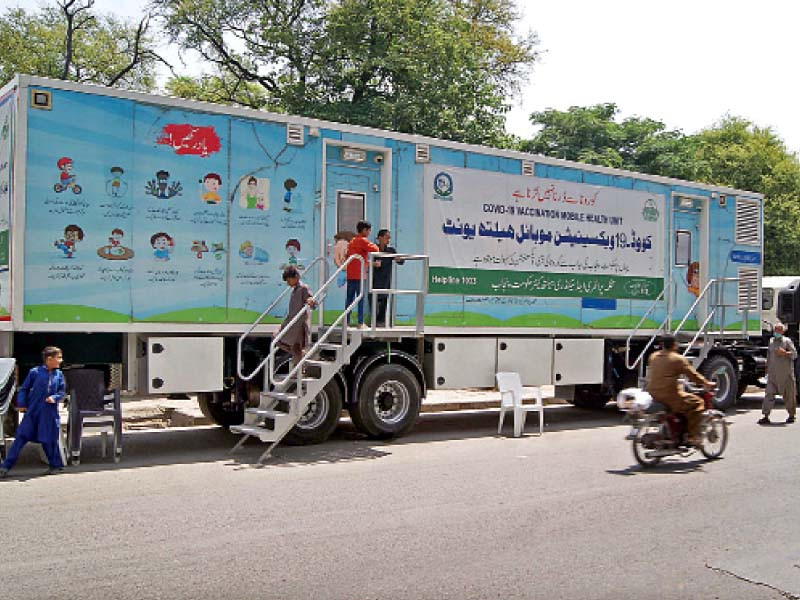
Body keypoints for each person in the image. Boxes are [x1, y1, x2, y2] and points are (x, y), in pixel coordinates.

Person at [0, 347, 66, 478]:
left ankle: (55, 465)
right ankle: (5, 467)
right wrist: (22, 403)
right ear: (49, 359)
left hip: (49, 413)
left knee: (48, 439)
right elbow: (24, 389)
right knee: (21, 438)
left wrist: (54, 398)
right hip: (33, 412)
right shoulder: (35, 372)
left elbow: (61, 392)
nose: (60, 360)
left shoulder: (59, 375)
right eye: (58, 357)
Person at [646, 334, 715, 446]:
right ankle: (692, 437)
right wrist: (706, 383)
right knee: (698, 403)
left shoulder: (653, 357)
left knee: (685, 400)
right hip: (670, 397)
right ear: (674, 345)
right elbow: (693, 375)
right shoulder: (678, 359)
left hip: (653, 394)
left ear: (662, 345)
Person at [277, 266, 317, 372]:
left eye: (289, 280)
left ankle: (299, 367)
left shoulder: (303, 288)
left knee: (295, 345)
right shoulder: (295, 290)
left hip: (299, 325)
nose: (288, 283)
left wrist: (310, 301)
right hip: (292, 323)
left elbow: (311, 300)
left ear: (295, 277)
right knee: (290, 345)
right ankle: (299, 365)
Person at [758, 322, 797, 425]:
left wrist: (785, 353)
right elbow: (769, 356)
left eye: (779, 330)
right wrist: (767, 369)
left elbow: (794, 354)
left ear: (783, 331)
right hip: (773, 375)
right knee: (769, 394)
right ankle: (765, 416)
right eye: (775, 330)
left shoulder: (787, 341)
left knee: (789, 396)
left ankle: (791, 415)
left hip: (786, 375)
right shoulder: (771, 341)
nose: (776, 332)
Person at [345, 220, 379, 327]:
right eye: (368, 230)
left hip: (350, 274)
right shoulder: (363, 240)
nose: (369, 233)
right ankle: (360, 322)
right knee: (360, 298)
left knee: (349, 299)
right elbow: (375, 249)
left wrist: (371, 263)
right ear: (364, 230)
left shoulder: (352, 241)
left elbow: (357, 259)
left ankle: (347, 321)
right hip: (360, 275)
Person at [372, 229, 404, 327]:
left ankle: (381, 321)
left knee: (384, 301)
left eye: (389, 238)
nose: (388, 240)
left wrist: (399, 259)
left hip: (385, 279)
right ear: (380, 238)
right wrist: (373, 264)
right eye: (386, 237)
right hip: (374, 279)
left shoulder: (390, 251)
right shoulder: (374, 249)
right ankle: (373, 321)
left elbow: (401, 261)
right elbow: (366, 261)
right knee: (373, 300)